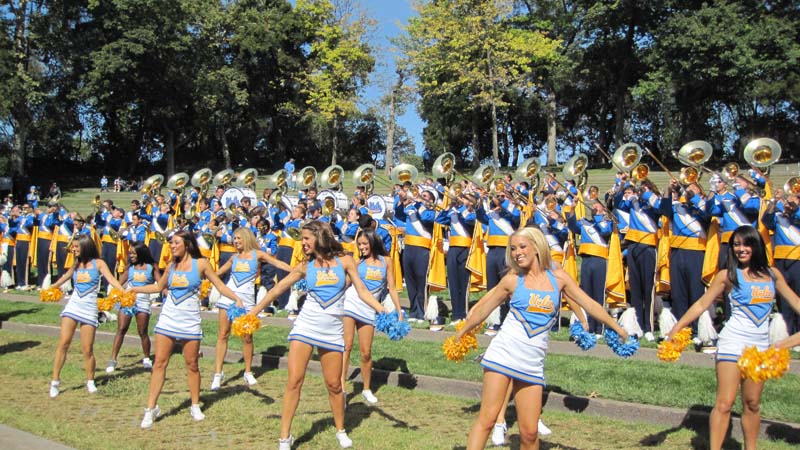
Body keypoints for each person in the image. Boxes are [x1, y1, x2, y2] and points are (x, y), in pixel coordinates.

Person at [457, 227, 628, 450]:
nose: (517, 252)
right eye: (513, 248)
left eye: (522, 246)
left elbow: (590, 304)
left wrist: (619, 329)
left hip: (532, 363)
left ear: (537, 247)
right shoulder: (512, 280)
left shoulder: (559, 279)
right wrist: (461, 333)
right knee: (487, 420)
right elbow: (484, 309)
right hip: (503, 354)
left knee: (529, 433)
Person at [249, 221, 386, 450]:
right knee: (294, 381)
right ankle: (285, 437)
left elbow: (362, 290)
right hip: (305, 327)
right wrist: (252, 313)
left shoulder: (345, 261)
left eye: (305, 239)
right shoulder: (305, 266)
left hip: (332, 331)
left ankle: (340, 429)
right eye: (301, 239)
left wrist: (384, 311)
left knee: (334, 385)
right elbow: (277, 288)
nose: (301, 243)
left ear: (320, 237)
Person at [667, 225, 800, 450]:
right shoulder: (727, 275)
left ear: (756, 245)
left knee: (753, 403)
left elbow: (795, 302)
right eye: (736, 244)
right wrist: (676, 328)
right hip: (732, 342)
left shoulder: (773, 275)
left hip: (760, 348)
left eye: (746, 244)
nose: (741, 249)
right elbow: (702, 303)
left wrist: (785, 343)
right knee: (725, 402)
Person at [129, 230, 245, 429]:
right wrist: (134, 289)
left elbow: (218, 284)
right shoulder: (172, 266)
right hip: (168, 319)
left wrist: (236, 298)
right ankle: (151, 408)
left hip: (190, 320)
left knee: (192, 364)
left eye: (175, 243)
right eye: (171, 243)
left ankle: (194, 404)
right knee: (159, 363)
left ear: (187, 245)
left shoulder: (201, 264)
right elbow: (158, 288)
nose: (172, 246)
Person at [210, 227, 291, 390]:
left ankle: (248, 372)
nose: (236, 241)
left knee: (247, 337)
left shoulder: (258, 255)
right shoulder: (233, 258)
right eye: (234, 238)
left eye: (239, 238)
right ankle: (218, 374)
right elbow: (217, 273)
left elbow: (277, 262)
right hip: (228, 298)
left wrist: (297, 271)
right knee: (223, 334)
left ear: (247, 238)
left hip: (246, 301)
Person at [49, 234, 126, 398]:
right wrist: (50, 288)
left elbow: (111, 279)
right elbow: (65, 277)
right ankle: (55, 381)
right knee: (63, 343)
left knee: (87, 349)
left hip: (90, 308)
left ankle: (90, 380)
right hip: (73, 306)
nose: (74, 249)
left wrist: (123, 292)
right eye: (73, 247)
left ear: (85, 246)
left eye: (77, 247)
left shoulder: (98, 263)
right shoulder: (76, 264)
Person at [341, 229, 404, 405]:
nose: (361, 247)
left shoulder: (387, 261)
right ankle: (342, 389)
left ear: (373, 242)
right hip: (351, 304)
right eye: (359, 244)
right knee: (346, 347)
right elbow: (346, 284)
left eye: (364, 244)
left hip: (370, 309)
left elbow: (391, 287)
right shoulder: (357, 262)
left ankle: (366, 389)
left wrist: (398, 310)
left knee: (366, 352)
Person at [106, 242, 161, 374]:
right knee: (121, 329)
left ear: (141, 253)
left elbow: (160, 284)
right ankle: (113, 360)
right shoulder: (129, 267)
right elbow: (119, 284)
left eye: (133, 253)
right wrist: (113, 296)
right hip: (127, 302)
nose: (131, 255)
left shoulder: (151, 267)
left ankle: (147, 358)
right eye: (130, 253)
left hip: (143, 303)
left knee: (142, 332)